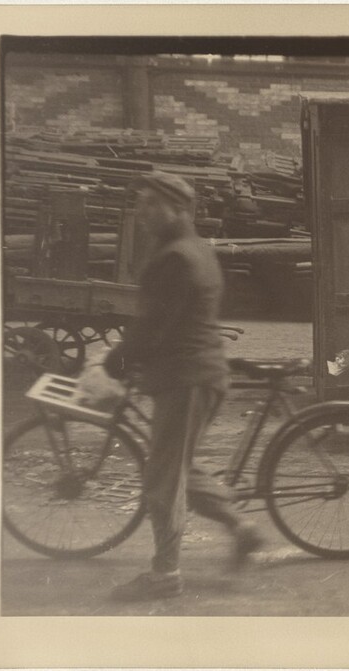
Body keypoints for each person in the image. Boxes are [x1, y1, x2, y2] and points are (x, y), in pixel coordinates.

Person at [104, 172, 262, 602]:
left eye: (149, 204)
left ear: (175, 208)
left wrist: (118, 359)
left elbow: (156, 323)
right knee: (179, 466)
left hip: (186, 377)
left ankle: (165, 574)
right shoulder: (195, 248)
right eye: (140, 203)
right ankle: (241, 527)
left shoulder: (176, 256)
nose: (141, 212)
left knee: (163, 476)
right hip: (197, 373)